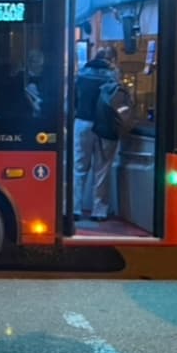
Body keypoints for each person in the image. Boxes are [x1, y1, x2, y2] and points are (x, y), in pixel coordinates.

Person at [73, 45, 120, 222]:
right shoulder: (113, 77)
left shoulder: (82, 75)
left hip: (83, 123)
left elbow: (73, 101)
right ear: (112, 60)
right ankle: (98, 211)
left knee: (79, 167)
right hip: (105, 127)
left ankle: (74, 208)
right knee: (102, 169)